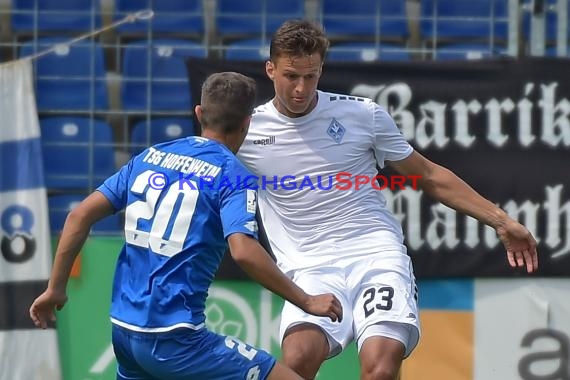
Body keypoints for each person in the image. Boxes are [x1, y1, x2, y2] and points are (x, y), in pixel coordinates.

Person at [236, 20, 539, 380]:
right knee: (298, 360)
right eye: (290, 76)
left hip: (374, 253)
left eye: (311, 76)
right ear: (270, 69)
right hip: (307, 267)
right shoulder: (247, 131)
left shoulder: (362, 115)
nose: (301, 88)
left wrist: (501, 221)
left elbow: (427, 175)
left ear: (321, 70)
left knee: (379, 370)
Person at [29, 72, 343, 380]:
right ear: (248, 122)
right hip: (178, 339)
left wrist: (55, 288)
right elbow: (244, 250)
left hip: (124, 332)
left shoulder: (150, 156)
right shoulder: (233, 176)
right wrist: (306, 300)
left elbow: (78, 216)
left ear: (199, 113)